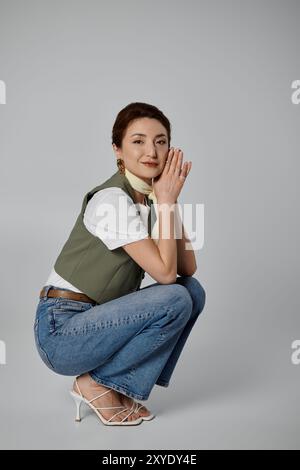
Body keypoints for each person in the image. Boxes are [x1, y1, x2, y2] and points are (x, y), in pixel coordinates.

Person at [33, 102, 206, 426]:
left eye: (161, 141)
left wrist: (168, 201)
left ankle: (116, 386)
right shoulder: (112, 199)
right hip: (61, 331)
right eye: (138, 141)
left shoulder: (151, 200)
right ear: (118, 149)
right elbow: (167, 276)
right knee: (175, 296)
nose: (151, 151)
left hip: (96, 321)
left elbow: (187, 269)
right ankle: (96, 384)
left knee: (192, 291)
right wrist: (165, 200)